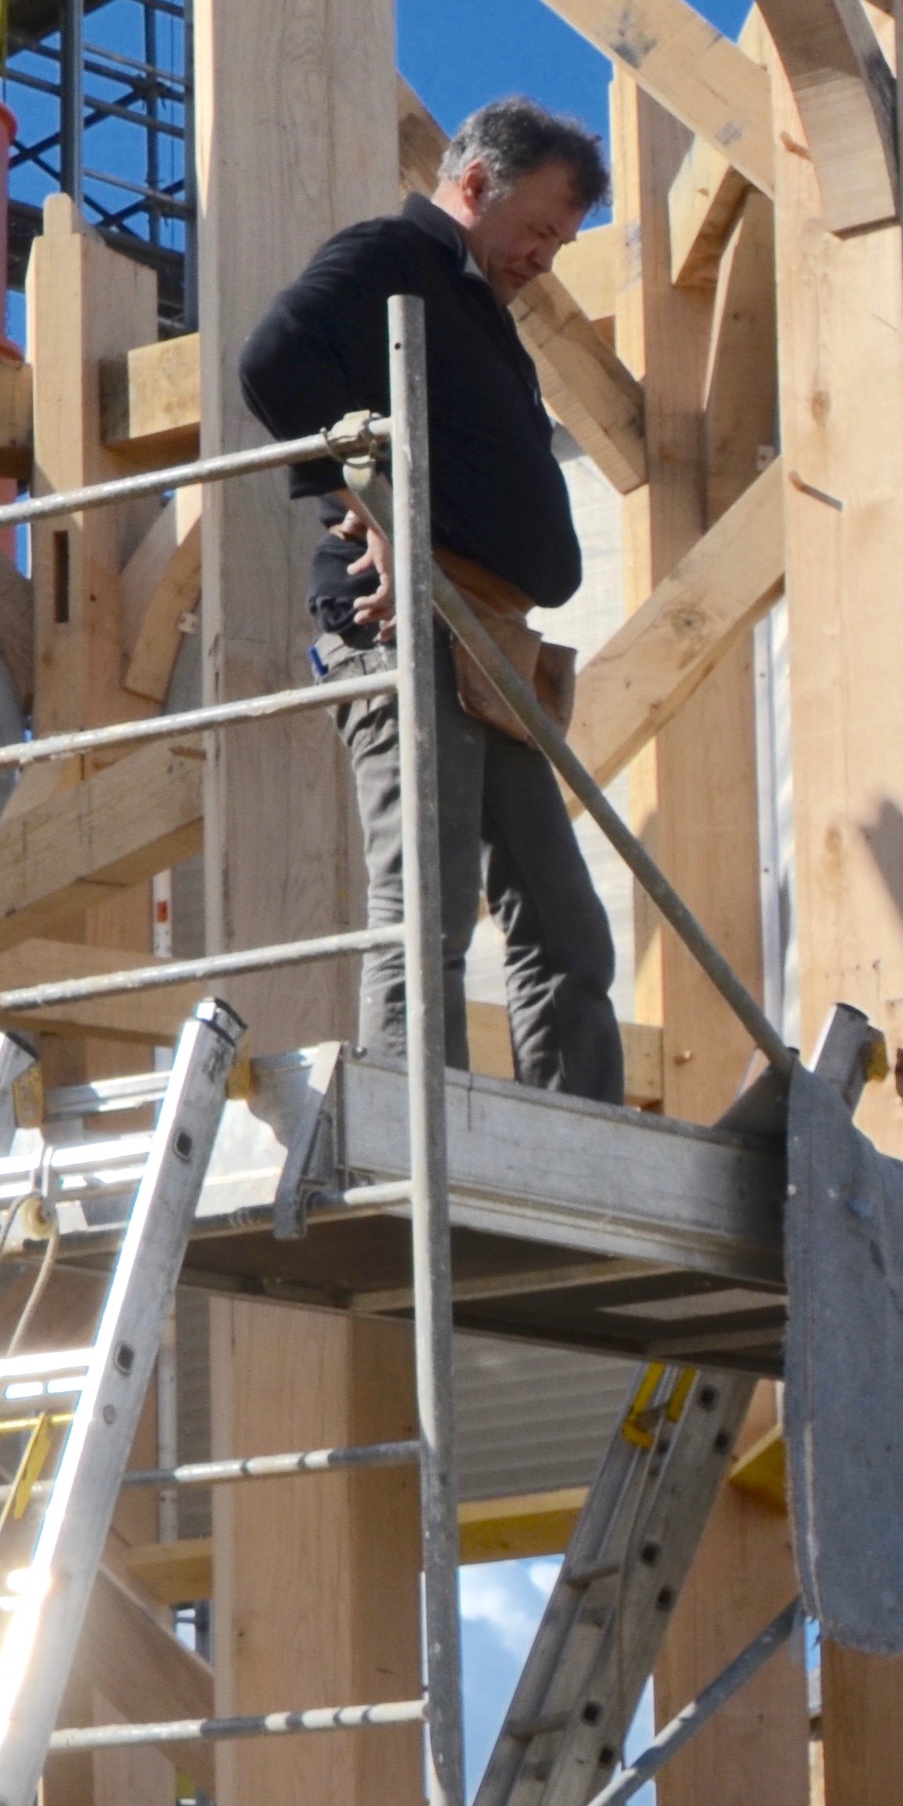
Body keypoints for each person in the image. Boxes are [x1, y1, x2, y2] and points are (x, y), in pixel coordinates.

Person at [233, 92, 623, 1105]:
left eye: (559, 242)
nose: (544, 258)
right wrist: (370, 500)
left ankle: (578, 1134)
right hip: (405, 616)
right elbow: (274, 362)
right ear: (476, 183)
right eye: (538, 229)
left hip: (485, 636)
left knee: (564, 927)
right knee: (429, 906)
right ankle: (422, 1133)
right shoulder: (392, 258)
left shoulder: (474, 307)